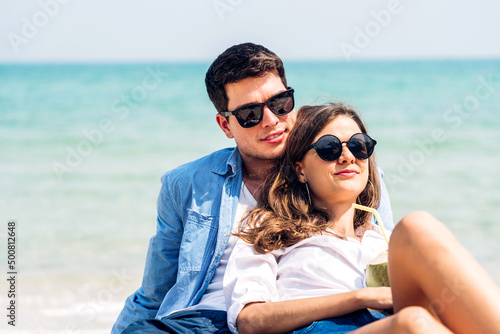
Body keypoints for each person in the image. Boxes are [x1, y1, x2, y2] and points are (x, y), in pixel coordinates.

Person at [112, 43, 394, 333]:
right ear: (225, 125)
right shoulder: (186, 184)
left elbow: (383, 260)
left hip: (295, 321)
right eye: (250, 114)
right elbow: (154, 294)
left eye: (279, 103)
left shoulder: (349, 171)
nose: (271, 121)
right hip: (201, 321)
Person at [223, 103, 500, 334]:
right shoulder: (268, 228)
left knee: (417, 229)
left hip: (391, 324)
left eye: (359, 146)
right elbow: (249, 319)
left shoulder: (380, 238)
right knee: (411, 321)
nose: (347, 156)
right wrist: (363, 297)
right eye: (329, 148)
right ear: (300, 170)